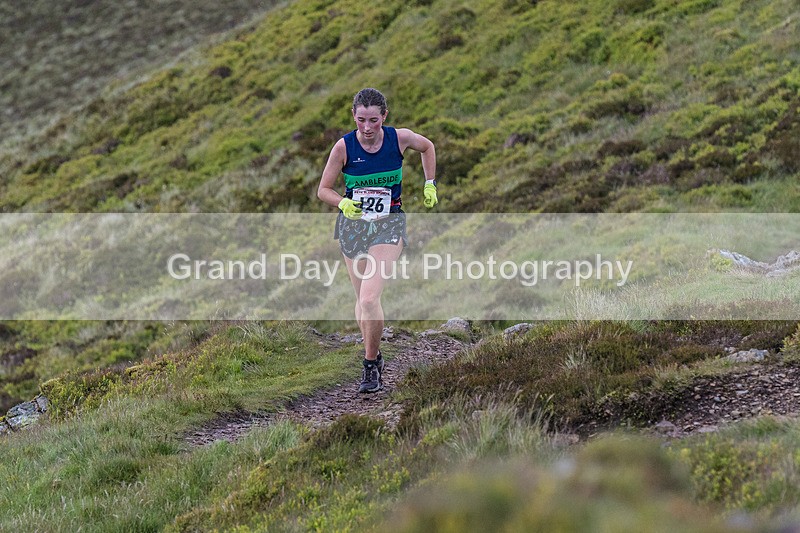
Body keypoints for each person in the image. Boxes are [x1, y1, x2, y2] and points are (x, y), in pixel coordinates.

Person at [317, 87, 438, 393]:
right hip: (353, 228)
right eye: (361, 120)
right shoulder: (343, 148)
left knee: (370, 298)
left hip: (389, 224)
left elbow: (428, 147)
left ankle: (371, 366)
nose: (367, 128)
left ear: (385, 116)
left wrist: (430, 184)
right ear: (353, 117)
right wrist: (342, 203)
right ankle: (376, 354)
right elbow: (324, 189)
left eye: (373, 120)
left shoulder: (399, 138)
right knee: (361, 302)